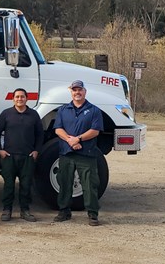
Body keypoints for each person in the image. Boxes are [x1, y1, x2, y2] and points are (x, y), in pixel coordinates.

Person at [53, 80, 104, 226]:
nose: (77, 92)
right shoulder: (63, 110)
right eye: (74, 90)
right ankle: (64, 211)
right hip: (66, 153)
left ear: (85, 92)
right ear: (71, 92)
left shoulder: (94, 110)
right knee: (64, 183)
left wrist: (78, 139)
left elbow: (95, 131)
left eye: (79, 90)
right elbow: (58, 129)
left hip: (86, 154)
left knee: (89, 185)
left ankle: (92, 214)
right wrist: (70, 140)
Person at [0, 88, 43, 222]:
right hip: (9, 157)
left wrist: (36, 150)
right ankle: (7, 210)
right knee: (8, 185)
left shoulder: (33, 115)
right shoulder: (6, 114)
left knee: (26, 185)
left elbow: (40, 134)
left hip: (27, 157)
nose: (19, 99)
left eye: (22, 97)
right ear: (13, 99)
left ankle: (25, 210)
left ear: (27, 99)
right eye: (17, 97)